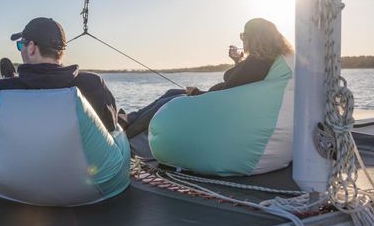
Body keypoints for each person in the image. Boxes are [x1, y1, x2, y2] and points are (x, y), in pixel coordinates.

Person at [0, 17, 118, 171]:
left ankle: (11, 76)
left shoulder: (2, 91)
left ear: (32, 47)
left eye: (21, 46)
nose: (21, 51)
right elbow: (110, 127)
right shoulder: (93, 83)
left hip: (13, 172)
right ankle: (11, 75)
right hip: (81, 176)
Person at [122, 17, 294, 138]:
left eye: (243, 36)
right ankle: (129, 118)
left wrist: (196, 93)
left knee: (167, 102)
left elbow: (228, 94)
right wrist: (238, 61)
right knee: (172, 91)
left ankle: (127, 134)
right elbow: (241, 86)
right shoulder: (265, 60)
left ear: (254, 37)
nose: (242, 40)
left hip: (215, 107)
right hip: (219, 102)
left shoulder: (257, 62)